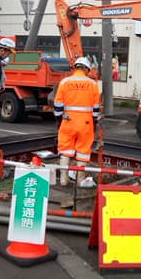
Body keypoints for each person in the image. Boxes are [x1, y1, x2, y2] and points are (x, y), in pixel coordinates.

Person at [53, 56, 100, 187]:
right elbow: (96, 107)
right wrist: (94, 120)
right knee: (83, 152)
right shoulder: (93, 84)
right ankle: (80, 180)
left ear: (75, 68)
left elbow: (58, 104)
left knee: (65, 150)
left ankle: (63, 179)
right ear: (86, 69)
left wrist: (59, 118)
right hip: (85, 122)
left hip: (68, 120)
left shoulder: (65, 82)